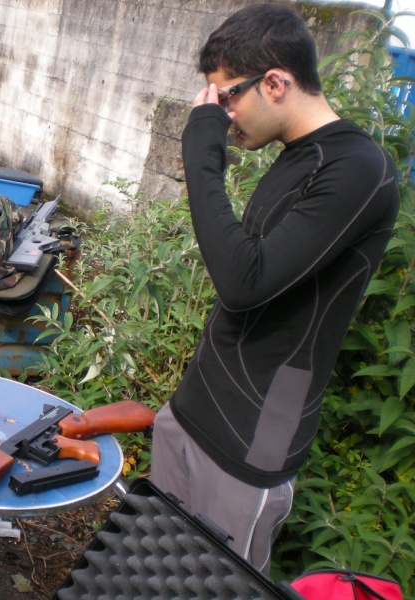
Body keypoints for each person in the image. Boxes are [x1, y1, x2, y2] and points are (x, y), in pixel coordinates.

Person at [148, 4, 400, 573]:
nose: (222, 115)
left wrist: (200, 150)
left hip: (248, 446)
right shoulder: (297, 158)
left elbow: (243, 282)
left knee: (212, 585)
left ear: (275, 83)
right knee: (150, 573)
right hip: (191, 412)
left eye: (226, 96)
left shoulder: (361, 169)